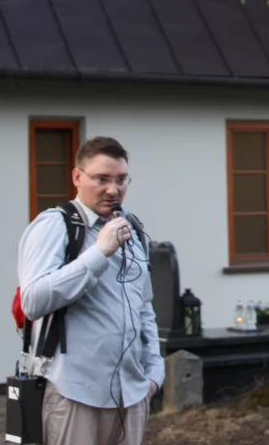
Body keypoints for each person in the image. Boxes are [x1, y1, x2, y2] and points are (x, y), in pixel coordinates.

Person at [18, 137, 164, 445]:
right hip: (74, 391)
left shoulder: (133, 229)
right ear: (77, 177)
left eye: (121, 180)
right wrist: (99, 254)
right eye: (101, 179)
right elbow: (33, 301)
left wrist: (154, 372)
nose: (113, 189)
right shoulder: (55, 226)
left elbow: (144, 306)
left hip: (133, 392)